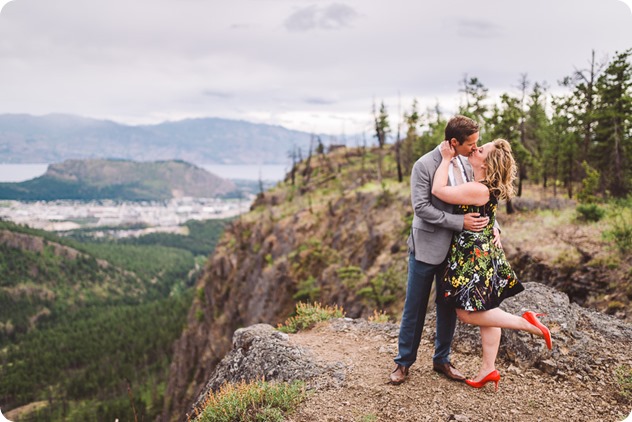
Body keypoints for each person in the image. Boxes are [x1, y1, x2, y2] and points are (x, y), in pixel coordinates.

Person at [431, 138, 552, 391]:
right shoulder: (482, 186)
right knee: (489, 312)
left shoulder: (479, 189)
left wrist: (444, 159)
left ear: (486, 163)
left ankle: (528, 323)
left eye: (481, 149)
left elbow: (438, 191)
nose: (475, 148)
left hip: (474, 258)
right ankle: (488, 368)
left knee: (465, 314)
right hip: (482, 254)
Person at [389, 115, 493, 385]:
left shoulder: (467, 163)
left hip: (457, 251)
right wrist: (460, 222)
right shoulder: (424, 165)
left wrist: (494, 226)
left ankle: (442, 359)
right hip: (427, 246)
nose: (475, 148)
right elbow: (421, 208)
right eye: (471, 143)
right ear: (454, 142)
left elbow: (475, 198)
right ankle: (403, 363)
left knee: (447, 306)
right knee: (415, 306)